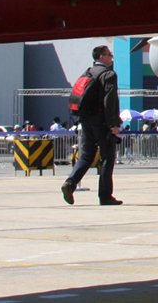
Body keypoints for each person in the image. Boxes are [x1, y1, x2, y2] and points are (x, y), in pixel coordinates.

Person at [61, 46, 122, 205]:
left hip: (86, 119)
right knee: (107, 157)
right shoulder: (109, 74)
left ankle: (70, 182)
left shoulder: (88, 72)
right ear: (102, 57)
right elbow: (110, 101)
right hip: (101, 121)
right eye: (109, 55)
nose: (111, 57)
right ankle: (105, 196)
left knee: (87, 154)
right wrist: (113, 124)